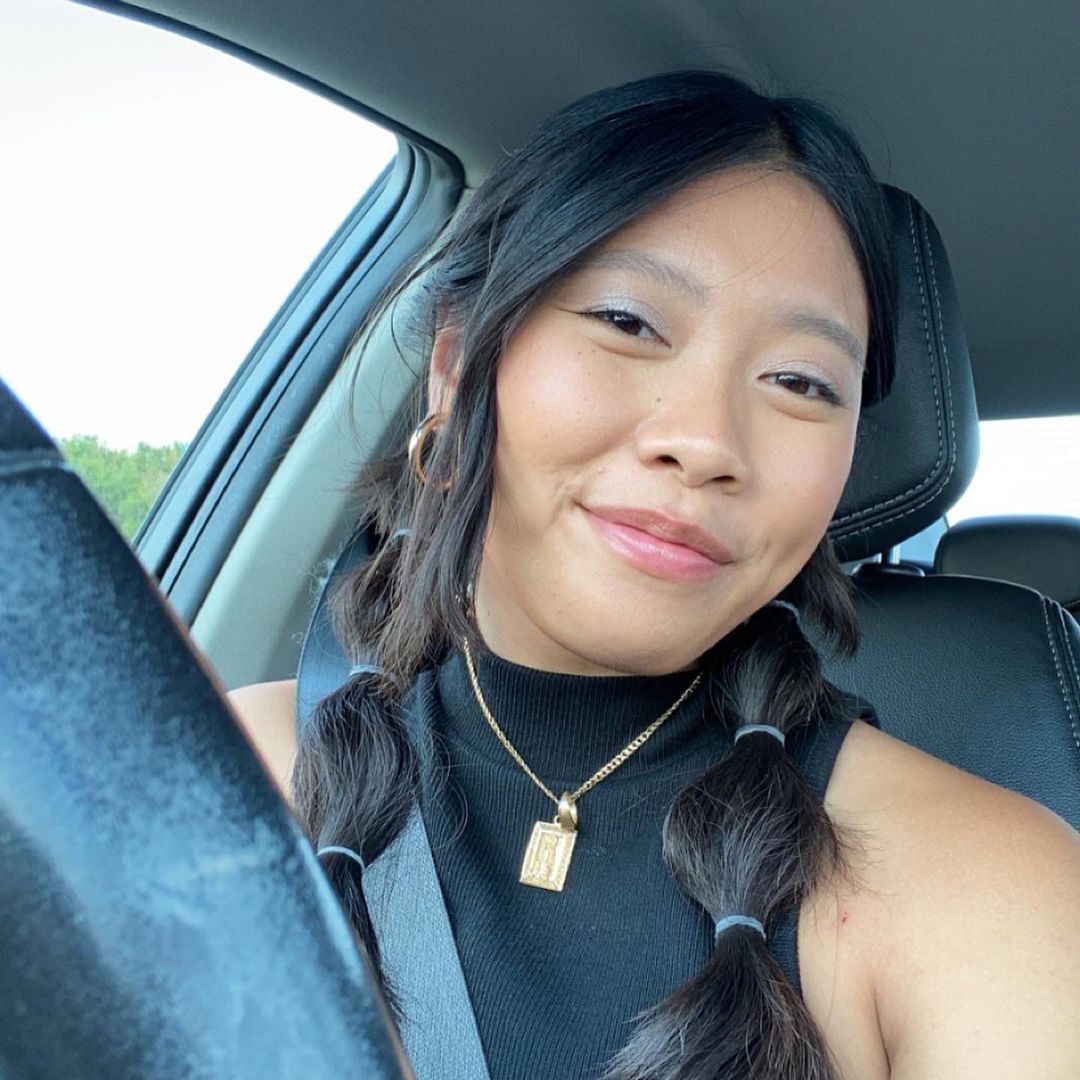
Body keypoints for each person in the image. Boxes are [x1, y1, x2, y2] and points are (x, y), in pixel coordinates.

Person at [230, 70, 1080, 1079]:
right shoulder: (228, 772)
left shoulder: (988, 887)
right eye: (629, 323)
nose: (706, 441)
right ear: (456, 374)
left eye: (801, 382)